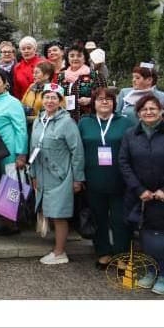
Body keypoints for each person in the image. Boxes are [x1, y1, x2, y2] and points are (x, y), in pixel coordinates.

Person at [24, 84, 85, 265]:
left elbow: (77, 151)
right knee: (49, 211)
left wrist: (78, 178)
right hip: (42, 174)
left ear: (60, 101)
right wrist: (33, 174)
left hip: (61, 175)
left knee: (59, 214)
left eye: (54, 97)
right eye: (47, 97)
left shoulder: (67, 122)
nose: (50, 101)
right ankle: (57, 247)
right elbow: (32, 148)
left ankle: (60, 252)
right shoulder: (38, 119)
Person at [77, 87, 132, 269]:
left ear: (114, 103)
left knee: (120, 219)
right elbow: (78, 151)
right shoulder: (85, 122)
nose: (104, 102)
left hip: (120, 180)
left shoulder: (125, 122)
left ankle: (122, 256)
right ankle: (103, 253)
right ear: (94, 103)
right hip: (93, 179)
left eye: (108, 99)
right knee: (98, 217)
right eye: (100, 99)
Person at [118, 94, 164, 295]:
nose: (149, 112)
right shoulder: (130, 134)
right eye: (144, 109)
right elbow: (124, 163)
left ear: (161, 111)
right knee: (146, 237)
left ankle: (163, 275)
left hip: (162, 196)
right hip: (140, 196)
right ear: (138, 113)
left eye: (153, 108)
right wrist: (140, 189)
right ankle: (151, 271)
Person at [0, 69, 29, 235]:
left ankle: (12, 223)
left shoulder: (13, 102)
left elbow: (21, 129)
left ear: (5, 84)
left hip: (10, 148)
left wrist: (21, 153)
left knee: (12, 184)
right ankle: (5, 221)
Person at [57, 45, 106, 123]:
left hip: (89, 119)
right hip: (65, 119)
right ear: (67, 58)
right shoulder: (62, 76)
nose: (75, 58)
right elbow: (57, 96)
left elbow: (105, 97)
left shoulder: (95, 76)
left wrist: (90, 100)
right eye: (72, 56)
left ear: (84, 58)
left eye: (79, 56)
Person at [21, 62, 56, 126]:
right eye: (33, 73)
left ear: (46, 75)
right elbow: (22, 103)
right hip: (28, 126)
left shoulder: (53, 91)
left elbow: (50, 116)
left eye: (37, 73)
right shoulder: (31, 87)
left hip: (45, 126)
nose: (34, 75)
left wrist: (26, 119)